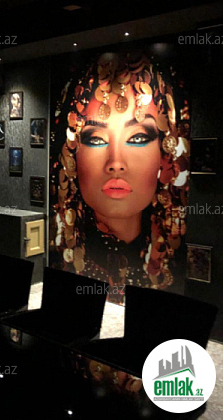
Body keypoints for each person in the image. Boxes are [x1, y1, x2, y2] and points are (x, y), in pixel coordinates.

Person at [50, 52, 190, 302]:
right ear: (72, 155)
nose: (115, 163)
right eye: (96, 139)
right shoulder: (60, 258)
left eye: (138, 137)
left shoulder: (177, 262)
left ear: (164, 154)